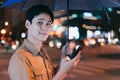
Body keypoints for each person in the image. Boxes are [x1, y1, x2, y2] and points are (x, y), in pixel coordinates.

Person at [8, 4, 81, 80]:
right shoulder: (20, 59)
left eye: (48, 24)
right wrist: (63, 72)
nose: (45, 28)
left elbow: (51, 77)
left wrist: (63, 58)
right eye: (40, 23)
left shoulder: (42, 52)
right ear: (27, 24)